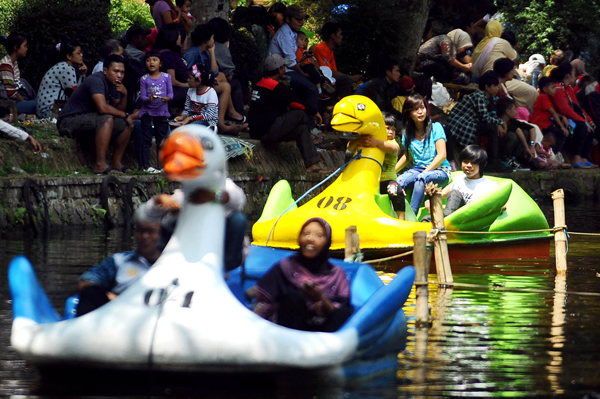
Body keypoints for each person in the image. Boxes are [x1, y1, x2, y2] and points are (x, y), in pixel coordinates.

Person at [253, 217, 352, 332]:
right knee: (294, 298)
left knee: (344, 312)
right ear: (299, 238)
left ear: (327, 242)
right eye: (306, 234)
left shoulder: (337, 274)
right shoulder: (285, 267)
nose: (310, 239)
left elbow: (343, 312)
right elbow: (261, 305)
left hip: (323, 335)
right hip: (286, 333)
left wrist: (320, 299)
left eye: (319, 235)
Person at [76, 203, 162, 316]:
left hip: (155, 317)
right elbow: (87, 281)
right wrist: (110, 298)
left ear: (162, 234)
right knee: (89, 293)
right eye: (140, 231)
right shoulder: (119, 261)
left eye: (150, 231)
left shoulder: (177, 265)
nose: (144, 236)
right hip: (118, 316)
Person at [145, 179, 247, 271]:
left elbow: (239, 199)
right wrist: (159, 200)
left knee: (238, 219)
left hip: (223, 248)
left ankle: (224, 268)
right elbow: (149, 214)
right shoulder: (184, 195)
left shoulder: (225, 184)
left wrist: (215, 196)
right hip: (193, 247)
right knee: (168, 223)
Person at [248, 54, 326, 174]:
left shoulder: (260, 83)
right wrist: (314, 111)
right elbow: (295, 103)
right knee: (300, 115)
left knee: (302, 129)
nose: (285, 69)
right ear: (279, 70)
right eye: (284, 67)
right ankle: (313, 133)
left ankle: (312, 165)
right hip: (266, 132)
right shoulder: (275, 87)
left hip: (257, 131)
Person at [57, 54, 133, 175]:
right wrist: (125, 115)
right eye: (116, 71)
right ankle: (100, 165)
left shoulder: (114, 84)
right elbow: (102, 108)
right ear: (105, 70)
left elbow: (118, 110)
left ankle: (116, 162)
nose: (119, 75)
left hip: (90, 120)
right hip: (68, 121)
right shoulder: (96, 80)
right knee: (107, 118)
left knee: (125, 124)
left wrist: (124, 95)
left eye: (122, 72)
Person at [395, 94, 451, 219]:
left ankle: (411, 218)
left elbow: (442, 155)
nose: (420, 112)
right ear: (409, 113)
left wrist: (426, 172)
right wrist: (392, 172)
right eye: (415, 109)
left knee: (421, 178)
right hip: (418, 169)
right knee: (398, 182)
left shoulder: (436, 128)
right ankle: (396, 216)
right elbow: (407, 156)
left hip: (440, 170)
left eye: (422, 107)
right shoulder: (407, 133)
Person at [269, 4, 322, 135]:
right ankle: (310, 127)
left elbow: (296, 59)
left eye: (302, 19)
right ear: (288, 19)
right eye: (298, 19)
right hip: (281, 71)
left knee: (318, 79)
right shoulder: (284, 34)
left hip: (290, 68)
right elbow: (291, 63)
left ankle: (304, 123)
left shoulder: (293, 33)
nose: (301, 22)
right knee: (312, 89)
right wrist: (302, 73)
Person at [185, 24, 246, 135]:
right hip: (195, 85)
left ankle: (231, 112)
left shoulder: (205, 53)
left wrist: (212, 52)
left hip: (202, 82)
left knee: (222, 76)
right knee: (226, 86)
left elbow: (214, 72)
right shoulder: (192, 53)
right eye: (212, 38)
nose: (214, 40)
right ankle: (221, 123)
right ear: (205, 40)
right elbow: (187, 73)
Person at [446, 71, 511, 172]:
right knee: (492, 127)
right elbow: (485, 118)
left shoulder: (488, 98)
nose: (497, 88)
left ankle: (494, 160)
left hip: (470, 123)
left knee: (492, 127)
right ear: (487, 87)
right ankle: (493, 162)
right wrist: (501, 122)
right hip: (462, 126)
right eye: (495, 86)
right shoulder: (479, 97)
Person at [348, 112, 404, 217]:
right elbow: (349, 147)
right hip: (370, 180)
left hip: (386, 181)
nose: (390, 132)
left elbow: (394, 150)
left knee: (395, 190)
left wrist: (378, 143)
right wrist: (359, 141)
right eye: (387, 128)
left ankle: (402, 219)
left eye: (393, 129)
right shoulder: (370, 140)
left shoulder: (392, 143)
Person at [428, 145, 498, 218]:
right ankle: (444, 219)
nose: (469, 165)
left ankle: (443, 219)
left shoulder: (489, 185)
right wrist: (432, 200)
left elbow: (502, 206)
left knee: (455, 193)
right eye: (466, 162)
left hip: (471, 219)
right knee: (426, 219)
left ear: (481, 165)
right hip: (453, 218)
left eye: (473, 162)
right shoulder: (459, 178)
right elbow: (444, 192)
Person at [550, 62, 597, 168]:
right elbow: (565, 109)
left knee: (592, 127)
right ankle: (576, 158)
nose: (575, 76)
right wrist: (583, 121)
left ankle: (584, 158)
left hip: (571, 116)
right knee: (582, 127)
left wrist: (588, 120)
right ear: (568, 75)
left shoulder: (569, 88)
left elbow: (578, 107)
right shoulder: (558, 88)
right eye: (573, 73)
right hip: (560, 118)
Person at [138, 51, 172, 173]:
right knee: (146, 139)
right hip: (148, 113)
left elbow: (171, 94)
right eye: (148, 60)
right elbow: (142, 97)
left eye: (154, 59)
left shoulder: (167, 77)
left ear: (160, 63)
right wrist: (149, 98)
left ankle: (162, 166)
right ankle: (146, 166)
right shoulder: (144, 79)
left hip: (162, 113)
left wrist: (167, 98)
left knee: (161, 140)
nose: (151, 62)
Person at [35, 40, 87, 119]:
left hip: (45, 109)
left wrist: (82, 75)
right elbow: (76, 95)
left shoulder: (63, 66)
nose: (81, 55)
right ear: (69, 56)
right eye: (78, 53)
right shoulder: (66, 68)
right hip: (50, 110)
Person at [312, 22, 361, 99]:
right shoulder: (319, 48)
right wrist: (350, 77)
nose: (342, 37)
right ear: (333, 36)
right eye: (340, 34)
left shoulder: (330, 50)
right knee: (346, 80)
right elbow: (327, 71)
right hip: (323, 80)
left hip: (330, 80)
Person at [416, 20, 471, 84]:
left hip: (431, 62)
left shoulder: (452, 47)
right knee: (443, 70)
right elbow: (448, 57)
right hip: (421, 61)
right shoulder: (445, 40)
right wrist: (464, 67)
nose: (462, 50)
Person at [153, 23, 189, 110]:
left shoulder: (155, 52)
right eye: (178, 35)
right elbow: (172, 81)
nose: (180, 37)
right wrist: (188, 85)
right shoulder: (168, 55)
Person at [495, 97, 538, 169]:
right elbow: (518, 130)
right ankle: (504, 159)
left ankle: (516, 158)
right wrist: (526, 147)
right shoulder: (499, 122)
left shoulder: (512, 120)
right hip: (499, 150)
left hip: (517, 150)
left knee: (526, 132)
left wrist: (532, 146)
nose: (516, 111)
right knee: (512, 136)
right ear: (508, 111)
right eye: (514, 109)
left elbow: (532, 128)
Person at [530, 77, 570, 153]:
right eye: (553, 87)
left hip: (546, 122)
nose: (555, 90)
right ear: (545, 89)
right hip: (540, 123)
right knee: (562, 133)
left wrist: (563, 117)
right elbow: (553, 113)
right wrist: (562, 127)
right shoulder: (543, 97)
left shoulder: (547, 97)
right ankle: (555, 154)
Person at [0, 33, 36, 115]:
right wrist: (24, 102)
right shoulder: (6, 65)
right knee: (37, 105)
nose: (26, 49)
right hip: (7, 104)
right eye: (24, 46)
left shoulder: (14, 63)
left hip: (14, 101)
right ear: (16, 47)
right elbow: (11, 93)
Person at [175, 63, 218, 127]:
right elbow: (187, 109)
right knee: (171, 125)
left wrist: (190, 118)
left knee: (190, 127)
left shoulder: (211, 93)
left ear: (198, 81)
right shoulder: (190, 90)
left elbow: (209, 115)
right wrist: (183, 116)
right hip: (192, 120)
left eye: (190, 78)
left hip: (208, 123)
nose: (188, 80)